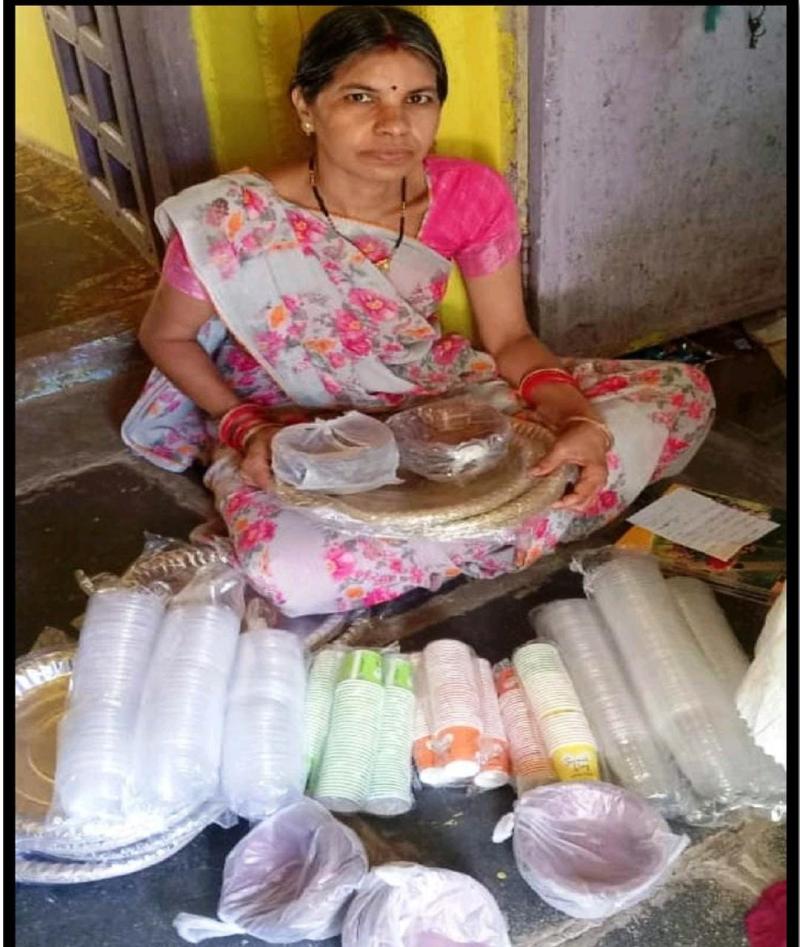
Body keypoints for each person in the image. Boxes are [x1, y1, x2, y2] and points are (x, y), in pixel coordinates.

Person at [122, 5, 714, 616]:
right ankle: (493, 527)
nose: (393, 125)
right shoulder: (232, 218)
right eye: (360, 97)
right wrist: (247, 428)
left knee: (683, 396)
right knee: (291, 575)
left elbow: (509, 339)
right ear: (306, 106)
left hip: (431, 395)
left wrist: (579, 422)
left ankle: (440, 538)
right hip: (292, 417)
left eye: (418, 99)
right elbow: (166, 337)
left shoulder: (468, 193)